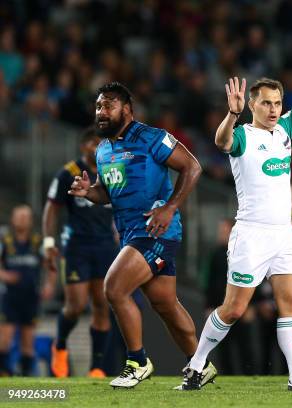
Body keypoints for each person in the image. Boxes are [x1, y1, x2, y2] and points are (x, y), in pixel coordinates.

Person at [178, 19, 292, 392]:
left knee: (291, 303)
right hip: (250, 234)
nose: (272, 109)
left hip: (283, 233)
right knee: (234, 309)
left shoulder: (284, 130)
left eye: (277, 103)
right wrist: (232, 114)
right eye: (265, 103)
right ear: (252, 103)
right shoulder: (243, 136)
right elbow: (221, 142)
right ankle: (197, 364)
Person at [68, 82, 203, 388]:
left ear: (127, 109)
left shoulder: (152, 137)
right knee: (165, 304)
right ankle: (200, 363)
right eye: (99, 106)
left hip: (156, 230)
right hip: (130, 233)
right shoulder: (103, 150)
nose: (101, 112)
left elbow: (192, 167)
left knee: (114, 289)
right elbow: (110, 193)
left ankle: (137, 362)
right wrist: (90, 192)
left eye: (109, 105)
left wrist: (169, 208)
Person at [43, 128, 118, 378]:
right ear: (83, 146)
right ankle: (60, 345)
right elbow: (52, 208)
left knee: (101, 304)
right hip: (77, 245)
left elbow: (120, 205)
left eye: (100, 143)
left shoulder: (111, 170)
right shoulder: (69, 172)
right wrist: (48, 242)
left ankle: (96, 368)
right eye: (91, 142)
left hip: (105, 245)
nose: (95, 147)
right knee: (75, 306)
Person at [0, 205, 54, 376]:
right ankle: (4, 375)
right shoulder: (4, 240)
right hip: (9, 297)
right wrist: (5, 276)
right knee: (4, 341)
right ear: (13, 219)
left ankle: (26, 379)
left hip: (31, 297)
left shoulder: (38, 241)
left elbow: (51, 265)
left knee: (28, 343)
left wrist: (49, 285)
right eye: (19, 216)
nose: (22, 219)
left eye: (26, 216)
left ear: (31, 221)